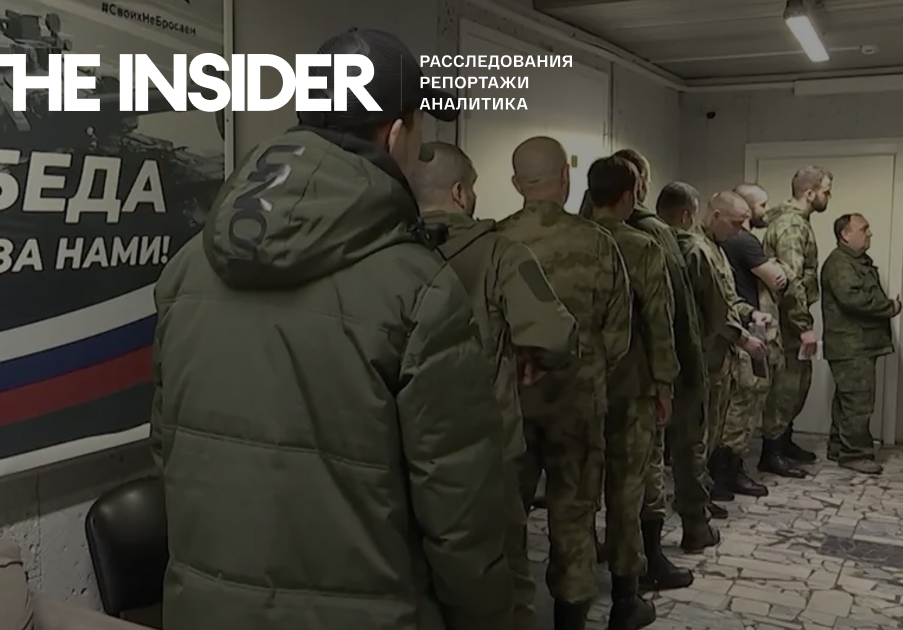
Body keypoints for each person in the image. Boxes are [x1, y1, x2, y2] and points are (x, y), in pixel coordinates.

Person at [151, 28, 513, 630]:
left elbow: (168, 453)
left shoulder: (188, 267)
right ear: (395, 133)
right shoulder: (419, 288)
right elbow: (460, 510)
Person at [412, 141, 578, 630]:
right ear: (460, 193)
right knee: (503, 578)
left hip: (403, 445)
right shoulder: (500, 253)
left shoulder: (384, 252)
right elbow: (554, 334)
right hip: (485, 449)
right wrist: (534, 358)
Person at [498, 136, 631, 630]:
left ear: (517, 184)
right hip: (578, 404)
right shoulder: (598, 243)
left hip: (511, 406)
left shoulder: (494, 243)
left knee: (506, 517)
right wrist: (588, 371)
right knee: (574, 515)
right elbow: (618, 333)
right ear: (566, 177)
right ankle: (570, 619)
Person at [583, 156, 676, 629]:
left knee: (577, 492)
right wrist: (664, 384)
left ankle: (574, 590)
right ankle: (625, 596)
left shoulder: (572, 240)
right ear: (628, 196)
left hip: (574, 387)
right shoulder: (641, 246)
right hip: (630, 385)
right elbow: (659, 323)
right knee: (626, 492)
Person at [615, 157, 710, 590]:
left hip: (593, 378)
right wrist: (685, 372)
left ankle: (615, 550)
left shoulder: (583, 228)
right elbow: (673, 309)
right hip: (642, 373)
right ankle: (647, 561)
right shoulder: (653, 234)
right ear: (637, 186)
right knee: (649, 467)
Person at [661, 189, 767, 524]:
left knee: (711, 433)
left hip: (719, 357)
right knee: (697, 437)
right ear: (716, 215)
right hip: (704, 357)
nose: (739, 231)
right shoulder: (697, 250)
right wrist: (744, 339)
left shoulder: (716, 249)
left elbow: (728, 299)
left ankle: (702, 493)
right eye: (735, 223)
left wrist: (750, 313)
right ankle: (692, 501)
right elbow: (714, 310)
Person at [714, 183, 787, 497]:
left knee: (740, 405)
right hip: (743, 333)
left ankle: (729, 470)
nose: (766, 212)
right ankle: (727, 472)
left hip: (744, 324)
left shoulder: (724, 242)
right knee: (743, 405)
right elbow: (778, 280)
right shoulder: (742, 241)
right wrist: (780, 268)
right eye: (762, 205)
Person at [760, 166, 832, 477]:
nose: (829, 196)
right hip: (787, 319)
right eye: (826, 191)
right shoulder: (791, 226)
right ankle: (771, 452)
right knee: (787, 385)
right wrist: (803, 326)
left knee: (798, 381)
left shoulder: (798, 221)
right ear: (810, 193)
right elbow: (791, 280)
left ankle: (784, 441)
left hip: (791, 316)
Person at [819, 213, 900, 474]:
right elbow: (853, 299)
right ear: (845, 235)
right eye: (864, 229)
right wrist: (890, 307)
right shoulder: (840, 263)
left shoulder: (853, 261)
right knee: (858, 402)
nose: (869, 234)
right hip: (851, 346)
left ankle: (838, 446)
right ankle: (855, 454)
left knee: (847, 399)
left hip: (858, 344)